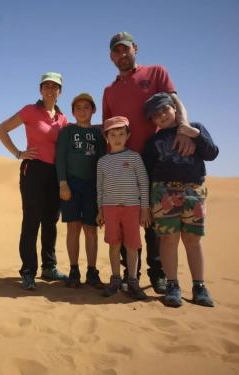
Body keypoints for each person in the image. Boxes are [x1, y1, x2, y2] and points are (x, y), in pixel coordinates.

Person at [102, 31, 195, 294]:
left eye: (126, 49)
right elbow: (108, 128)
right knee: (124, 218)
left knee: (152, 217)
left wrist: (184, 126)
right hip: (124, 162)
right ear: (111, 57)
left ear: (135, 49)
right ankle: (130, 275)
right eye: (117, 52)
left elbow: (174, 102)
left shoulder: (156, 72)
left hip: (157, 157)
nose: (122, 55)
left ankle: (158, 275)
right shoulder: (109, 90)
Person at [142, 93, 219, 307]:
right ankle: (172, 285)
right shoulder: (153, 142)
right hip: (162, 192)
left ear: (174, 108)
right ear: (152, 120)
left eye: (165, 110)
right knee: (168, 239)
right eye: (156, 115)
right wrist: (147, 203)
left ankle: (199, 286)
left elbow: (212, 153)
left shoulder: (196, 127)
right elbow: (147, 172)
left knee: (193, 239)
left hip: (193, 191)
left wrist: (195, 134)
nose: (162, 116)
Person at [0, 72, 69, 290]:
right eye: (46, 85)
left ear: (59, 92)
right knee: (31, 221)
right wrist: (18, 153)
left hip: (54, 173)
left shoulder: (63, 119)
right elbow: (1, 130)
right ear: (40, 90)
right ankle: (28, 271)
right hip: (33, 170)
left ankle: (49, 267)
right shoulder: (30, 110)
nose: (50, 89)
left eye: (54, 86)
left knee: (50, 221)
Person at [96, 116, 151, 300]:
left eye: (121, 133)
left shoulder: (134, 157)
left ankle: (133, 281)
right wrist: (100, 210)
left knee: (132, 246)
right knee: (114, 244)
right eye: (112, 134)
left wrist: (144, 209)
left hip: (132, 208)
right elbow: (100, 188)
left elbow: (143, 183)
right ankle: (115, 279)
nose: (117, 137)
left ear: (128, 135)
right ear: (107, 137)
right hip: (110, 208)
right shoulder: (102, 161)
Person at [55, 93, 106, 288]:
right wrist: (63, 183)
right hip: (71, 185)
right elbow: (60, 158)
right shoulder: (67, 131)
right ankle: (74, 269)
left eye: (86, 107)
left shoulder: (98, 135)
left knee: (91, 230)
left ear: (93, 110)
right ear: (73, 112)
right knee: (73, 229)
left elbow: (102, 162)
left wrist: (101, 191)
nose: (82, 111)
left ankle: (92, 271)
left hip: (92, 186)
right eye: (78, 108)